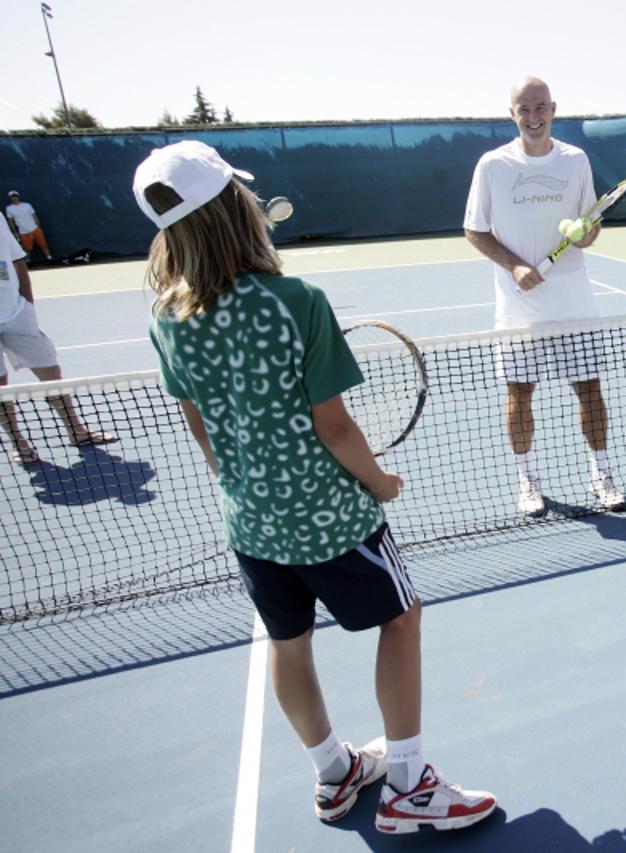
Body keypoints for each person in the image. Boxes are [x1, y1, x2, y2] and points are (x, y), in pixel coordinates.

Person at [134, 140, 496, 833]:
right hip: (331, 521)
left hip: (250, 524)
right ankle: (410, 786)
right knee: (402, 618)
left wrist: (246, 483)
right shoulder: (295, 301)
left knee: (288, 642)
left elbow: (199, 425)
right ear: (232, 208)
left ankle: (334, 771)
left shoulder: (165, 318)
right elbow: (334, 428)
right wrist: (380, 482)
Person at [463, 76, 626, 518]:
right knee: (519, 395)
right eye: (524, 109)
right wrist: (515, 265)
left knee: (590, 391)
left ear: (553, 109)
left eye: (540, 108)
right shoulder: (492, 166)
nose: (533, 117)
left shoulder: (576, 161)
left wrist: (587, 234)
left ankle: (601, 473)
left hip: (575, 307)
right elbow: (474, 229)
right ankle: (526, 478)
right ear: (512, 113)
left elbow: (590, 225)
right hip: (518, 312)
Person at [0, 226, 114, 464]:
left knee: (51, 371)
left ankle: (76, 431)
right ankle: (18, 443)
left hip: (17, 314)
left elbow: (17, 259)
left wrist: (27, 303)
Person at [5, 191, 53, 262]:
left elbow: (34, 215)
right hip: (23, 232)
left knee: (44, 245)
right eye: (12, 197)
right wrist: (15, 232)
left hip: (35, 229)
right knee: (27, 249)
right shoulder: (9, 208)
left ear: (18, 197)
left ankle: (50, 259)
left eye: (16, 196)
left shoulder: (27, 205)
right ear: (10, 198)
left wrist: (37, 226)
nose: (14, 198)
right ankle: (28, 262)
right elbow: (11, 221)